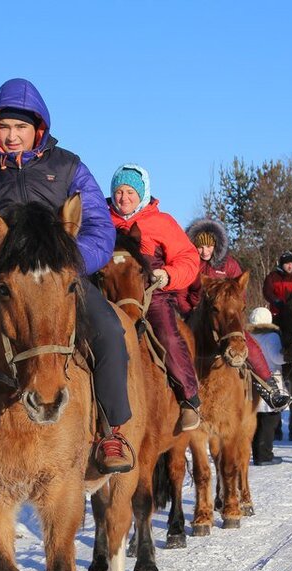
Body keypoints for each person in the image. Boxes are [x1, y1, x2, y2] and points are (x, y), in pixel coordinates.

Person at [0, 78, 135, 487]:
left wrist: (69, 264)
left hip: (59, 279)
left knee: (109, 331)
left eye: (21, 127)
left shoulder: (68, 166)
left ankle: (111, 432)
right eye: (5, 127)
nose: (13, 135)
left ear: (38, 127)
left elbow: (98, 228)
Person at [107, 164, 201, 432]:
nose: (123, 198)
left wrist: (168, 275)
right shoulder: (101, 217)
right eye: (119, 191)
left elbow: (188, 258)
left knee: (169, 336)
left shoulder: (161, 222)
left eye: (130, 192)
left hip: (152, 294)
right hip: (110, 291)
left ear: (142, 194)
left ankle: (189, 398)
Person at [184, 217, 291, 411]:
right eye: (200, 247)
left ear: (216, 245)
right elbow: (180, 292)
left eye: (209, 247)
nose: (205, 251)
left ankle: (270, 389)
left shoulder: (229, 265)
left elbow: (240, 293)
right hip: (195, 316)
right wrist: (188, 310)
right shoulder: (189, 263)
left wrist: (234, 310)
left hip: (225, 316)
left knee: (247, 342)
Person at [248, 307, 286, 465]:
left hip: (251, 381)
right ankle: (265, 455)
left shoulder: (248, 335)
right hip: (270, 380)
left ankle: (257, 453)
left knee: (257, 419)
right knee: (271, 419)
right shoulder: (271, 337)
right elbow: (277, 358)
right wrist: (290, 355)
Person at [262, 250, 292, 318]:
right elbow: (267, 292)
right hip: (277, 313)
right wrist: (276, 301)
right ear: (281, 264)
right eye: (287, 264)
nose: (290, 266)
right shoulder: (272, 277)